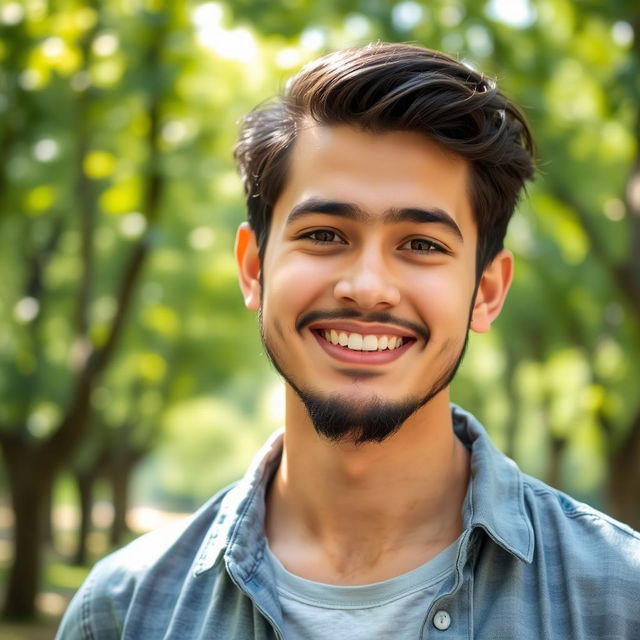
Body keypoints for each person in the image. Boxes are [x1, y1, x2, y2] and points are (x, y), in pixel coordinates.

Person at [57, 42, 640, 639]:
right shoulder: (121, 612)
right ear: (253, 269)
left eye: (421, 244)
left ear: (486, 292)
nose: (367, 288)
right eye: (325, 234)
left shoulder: (623, 602)